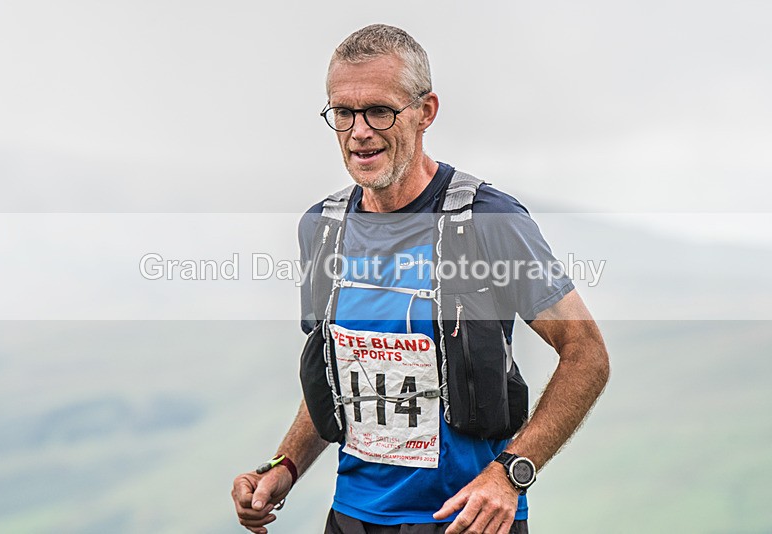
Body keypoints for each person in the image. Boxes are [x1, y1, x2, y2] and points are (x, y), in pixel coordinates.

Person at [232, 24, 609, 534]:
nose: (358, 131)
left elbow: (586, 353)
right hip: (353, 518)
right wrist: (285, 466)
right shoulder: (322, 229)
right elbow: (339, 371)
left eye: (379, 111)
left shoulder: (487, 222)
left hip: (466, 522)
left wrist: (510, 476)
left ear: (425, 112)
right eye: (342, 112)